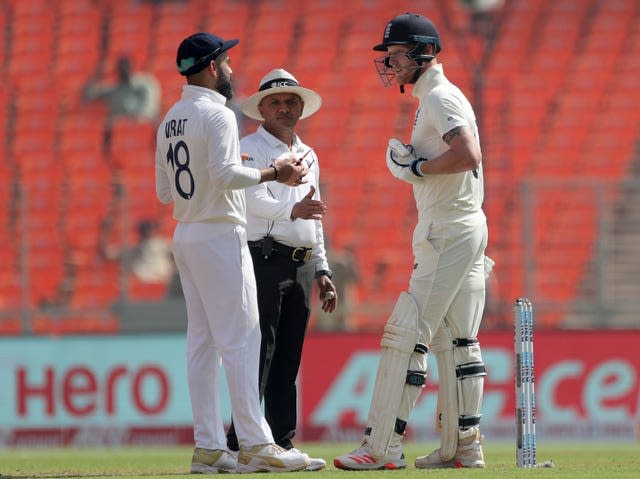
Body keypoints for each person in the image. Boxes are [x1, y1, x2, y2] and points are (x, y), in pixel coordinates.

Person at [334, 13, 492, 470]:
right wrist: (420, 166)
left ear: (424, 53)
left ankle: (381, 447)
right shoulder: (438, 97)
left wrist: (418, 169)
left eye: (397, 54)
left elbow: (467, 155)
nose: (390, 63)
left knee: (408, 334)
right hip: (463, 225)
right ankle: (463, 446)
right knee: (460, 341)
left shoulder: (440, 97)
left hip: (447, 229)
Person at [155, 32, 311, 474]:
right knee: (243, 338)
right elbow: (225, 175)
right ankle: (257, 443)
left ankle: (208, 447)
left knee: (202, 344)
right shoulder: (218, 114)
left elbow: (164, 191)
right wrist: (273, 171)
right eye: (224, 62)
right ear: (209, 67)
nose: (229, 69)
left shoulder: (170, 118)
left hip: (185, 232)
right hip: (220, 234)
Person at [224, 68, 336, 471]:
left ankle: (281, 442)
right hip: (263, 257)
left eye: (291, 102)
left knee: (288, 357)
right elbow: (250, 201)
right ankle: (242, 444)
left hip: (300, 263)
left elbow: (315, 216)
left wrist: (323, 268)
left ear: (302, 108)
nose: (285, 108)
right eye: (276, 102)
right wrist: (293, 209)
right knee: (260, 352)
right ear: (262, 109)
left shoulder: (310, 154)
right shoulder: (248, 147)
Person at [84, 55, 160, 121]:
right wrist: (97, 74)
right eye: (121, 68)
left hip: (141, 126)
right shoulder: (113, 89)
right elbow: (87, 97)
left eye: (126, 67)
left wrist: (136, 120)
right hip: (120, 127)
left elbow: (150, 109)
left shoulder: (145, 83)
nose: (124, 71)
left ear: (131, 67)